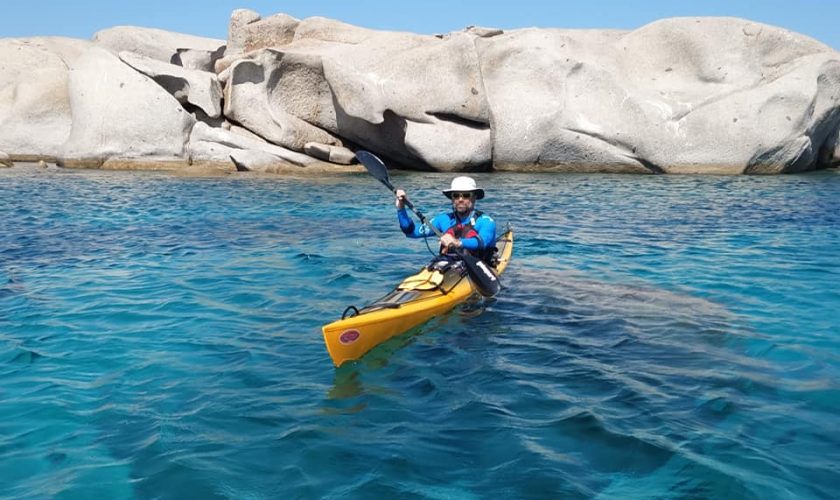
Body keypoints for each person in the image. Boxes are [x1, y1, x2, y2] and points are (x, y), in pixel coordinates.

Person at [395, 176, 497, 262]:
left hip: (479, 265)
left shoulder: (486, 221)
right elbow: (411, 232)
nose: (460, 199)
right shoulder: (443, 220)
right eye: (456, 195)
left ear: (474, 198)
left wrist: (457, 242)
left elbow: (482, 243)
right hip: (450, 267)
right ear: (452, 199)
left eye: (466, 195)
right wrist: (401, 208)